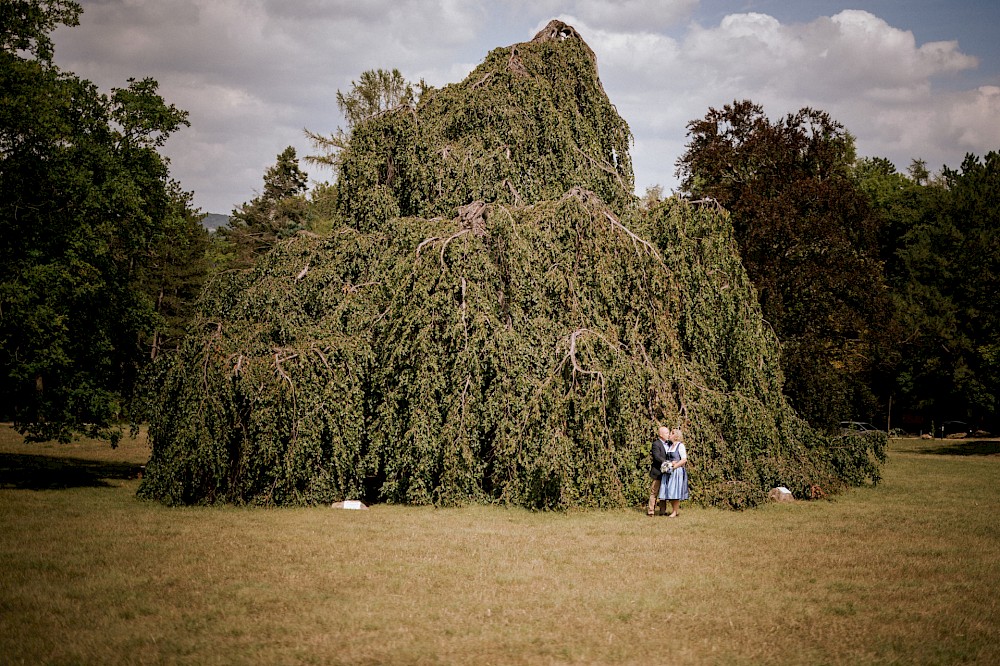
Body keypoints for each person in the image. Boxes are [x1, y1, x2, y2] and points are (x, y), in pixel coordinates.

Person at [657, 426, 689, 517]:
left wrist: (674, 466)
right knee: (669, 491)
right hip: (669, 471)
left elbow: (684, 459)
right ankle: (674, 511)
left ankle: (675, 511)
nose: (669, 435)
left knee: (675, 491)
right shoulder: (671, 446)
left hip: (677, 471)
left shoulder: (680, 446)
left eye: (671, 433)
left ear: (676, 436)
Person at [647, 426, 671, 516]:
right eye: (666, 433)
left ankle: (662, 511)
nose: (668, 435)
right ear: (661, 434)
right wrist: (666, 462)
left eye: (668, 433)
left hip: (666, 472)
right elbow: (656, 457)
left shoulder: (669, 443)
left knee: (664, 492)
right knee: (654, 492)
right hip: (657, 472)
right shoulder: (656, 444)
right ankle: (651, 511)